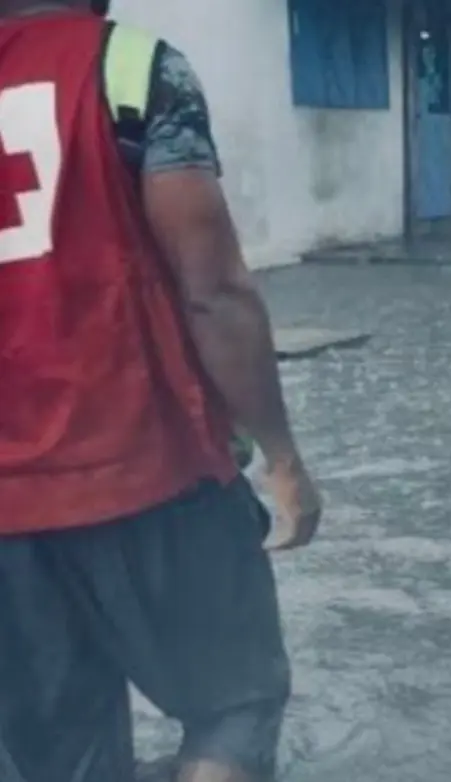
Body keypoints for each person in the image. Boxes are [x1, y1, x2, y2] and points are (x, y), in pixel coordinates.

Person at [0, 3, 322, 782]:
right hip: (151, 472)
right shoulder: (133, 69)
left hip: (9, 517)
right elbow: (215, 291)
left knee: (65, 758)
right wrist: (282, 455)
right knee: (234, 710)